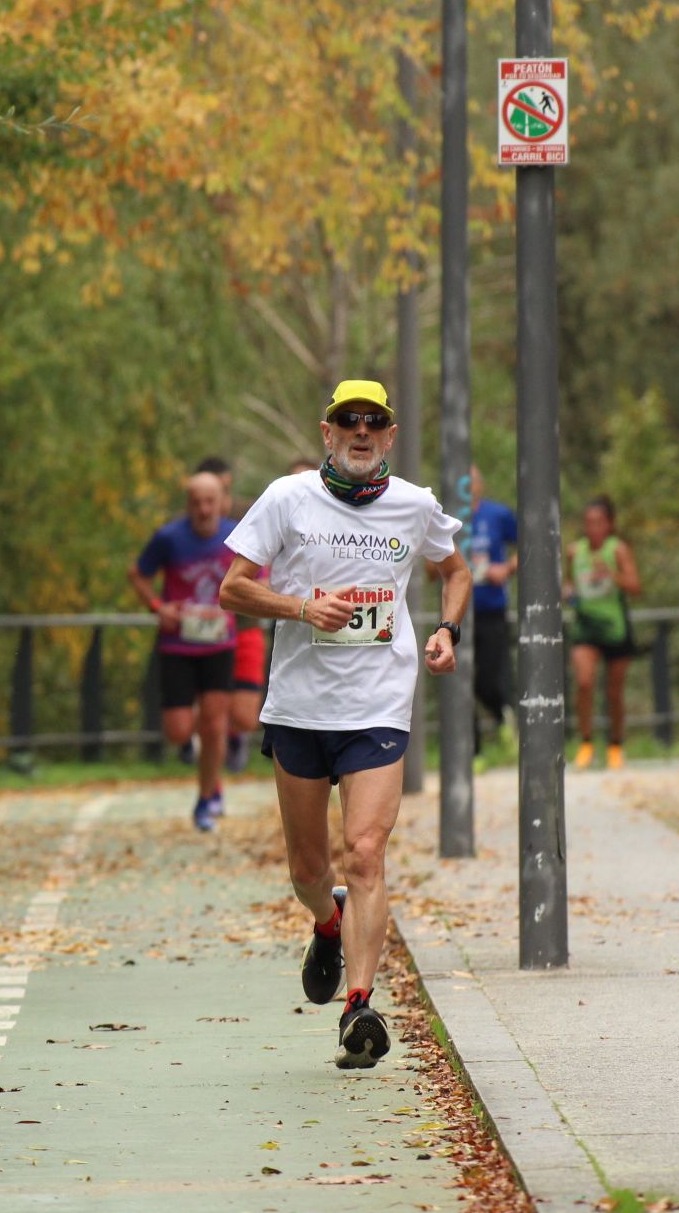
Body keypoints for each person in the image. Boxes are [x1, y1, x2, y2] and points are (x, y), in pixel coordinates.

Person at [220, 378, 470, 1070]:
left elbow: (456, 571)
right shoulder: (287, 498)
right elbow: (232, 587)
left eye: (375, 422)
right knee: (308, 868)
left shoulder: (414, 505)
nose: (361, 432)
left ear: (389, 436)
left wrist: (448, 630)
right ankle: (325, 921)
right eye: (347, 422)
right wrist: (303, 608)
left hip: (378, 705)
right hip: (300, 708)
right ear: (327, 433)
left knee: (364, 852)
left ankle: (360, 1006)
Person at [129, 471, 238, 831]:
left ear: (221, 500)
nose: (204, 509)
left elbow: (260, 575)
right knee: (177, 730)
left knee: (215, 722)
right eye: (196, 502)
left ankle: (207, 799)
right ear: (187, 505)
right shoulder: (169, 538)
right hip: (178, 643)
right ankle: (191, 744)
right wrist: (159, 607)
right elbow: (138, 574)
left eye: (210, 501)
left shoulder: (237, 534)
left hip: (220, 643)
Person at [194, 455, 265, 773]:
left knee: (245, 715)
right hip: (202, 631)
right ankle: (206, 743)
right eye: (204, 497)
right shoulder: (186, 527)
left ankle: (235, 735)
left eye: (219, 492)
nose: (211, 504)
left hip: (243, 624)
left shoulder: (251, 514)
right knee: (209, 708)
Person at [568, 495, 641, 770]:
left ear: (610, 524)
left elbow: (636, 586)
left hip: (615, 627)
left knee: (614, 691)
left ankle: (615, 744)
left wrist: (611, 574)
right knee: (584, 682)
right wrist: (568, 592)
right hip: (586, 626)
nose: (593, 527)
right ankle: (586, 742)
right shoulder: (575, 551)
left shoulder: (618, 549)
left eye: (599, 522)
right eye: (588, 522)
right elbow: (569, 582)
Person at [466, 465, 520, 737]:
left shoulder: (498, 514)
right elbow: (430, 566)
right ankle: (472, 750)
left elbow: (530, 544)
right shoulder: (449, 517)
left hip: (491, 610)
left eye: (472, 480)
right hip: (459, 612)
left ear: (481, 485)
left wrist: (506, 569)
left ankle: (502, 716)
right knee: (459, 684)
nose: (467, 486)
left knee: (486, 680)